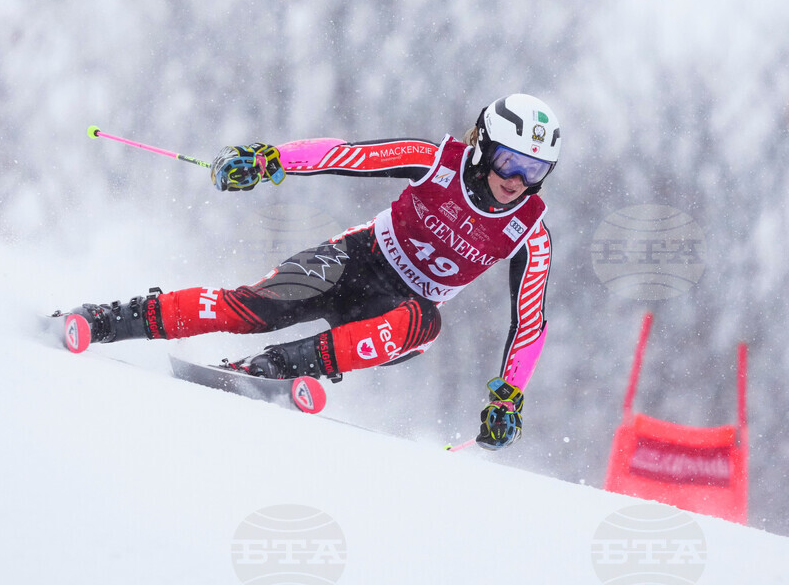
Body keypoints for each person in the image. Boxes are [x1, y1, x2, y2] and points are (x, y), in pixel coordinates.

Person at [70, 94, 559, 450]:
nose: (517, 180)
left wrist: (508, 399)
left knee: (425, 322)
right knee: (250, 310)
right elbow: (346, 154)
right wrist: (270, 160)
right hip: (355, 261)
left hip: (397, 313)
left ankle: (270, 369)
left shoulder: (530, 233)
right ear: (483, 147)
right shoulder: (434, 161)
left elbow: (529, 322)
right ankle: (109, 319)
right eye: (509, 161)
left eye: (534, 171)